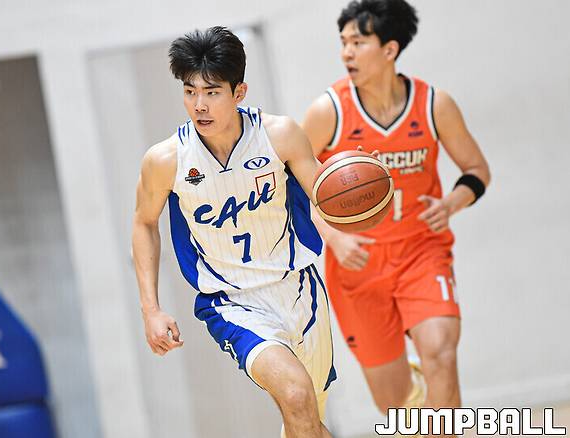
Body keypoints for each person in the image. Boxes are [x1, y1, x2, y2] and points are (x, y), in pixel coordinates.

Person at [132, 26, 338, 438]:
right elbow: (144, 222)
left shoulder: (279, 135)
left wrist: (356, 188)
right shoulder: (166, 160)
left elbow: (327, 199)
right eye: (190, 92)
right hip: (232, 303)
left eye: (211, 92)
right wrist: (150, 310)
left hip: (300, 288)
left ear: (239, 93)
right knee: (296, 396)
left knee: (307, 420)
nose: (199, 105)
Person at [301, 0, 491, 430]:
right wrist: (334, 236)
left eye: (358, 42)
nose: (346, 53)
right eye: (343, 43)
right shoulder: (328, 111)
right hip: (358, 266)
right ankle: (416, 398)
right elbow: (292, 184)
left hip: (421, 251)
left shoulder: (434, 104)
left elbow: (477, 170)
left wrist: (452, 203)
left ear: (389, 49)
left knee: (441, 351)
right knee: (395, 404)